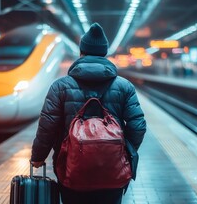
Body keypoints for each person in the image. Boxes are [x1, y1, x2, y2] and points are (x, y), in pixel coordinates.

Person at [30, 23, 147, 204]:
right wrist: (124, 152)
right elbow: (138, 125)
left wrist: (38, 157)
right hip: (113, 171)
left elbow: (47, 127)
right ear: (104, 53)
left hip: (71, 170)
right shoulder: (124, 86)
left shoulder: (60, 86)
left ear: (81, 52)